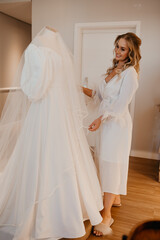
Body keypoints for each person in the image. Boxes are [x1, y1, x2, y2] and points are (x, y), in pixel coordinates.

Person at [0, 26, 103, 240]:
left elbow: (34, 89)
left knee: (40, 152)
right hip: (61, 111)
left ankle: (44, 212)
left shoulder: (36, 49)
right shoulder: (63, 53)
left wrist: (32, 90)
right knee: (64, 153)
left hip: (45, 108)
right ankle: (69, 210)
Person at [83, 32, 141, 236]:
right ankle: (114, 197)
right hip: (104, 124)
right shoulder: (113, 70)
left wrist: (100, 119)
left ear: (130, 52)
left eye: (123, 48)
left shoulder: (130, 74)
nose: (117, 51)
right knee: (104, 161)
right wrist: (75, 88)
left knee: (111, 163)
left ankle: (107, 214)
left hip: (116, 125)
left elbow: (119, 104)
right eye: (117, 46)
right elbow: (99, 96)